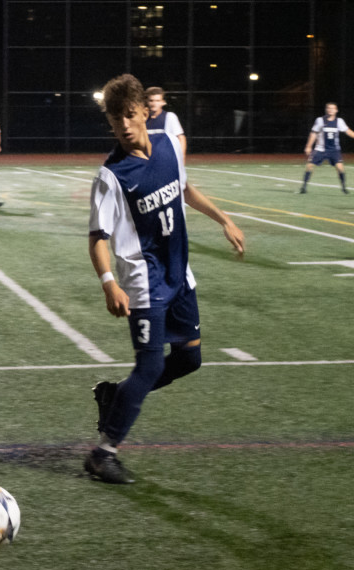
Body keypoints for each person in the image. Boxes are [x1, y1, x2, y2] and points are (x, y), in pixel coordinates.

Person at [84, 74, 245, 485]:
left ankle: (113, 396)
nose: (121, 125)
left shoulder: (170, 145)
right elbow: (97, 238)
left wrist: (223, 219)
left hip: (178, 274)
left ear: (144, 111)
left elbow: (185, 189)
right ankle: (104, 453)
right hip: (143, 281)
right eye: (113, 118)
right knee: (151, 365)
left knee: (190, 359)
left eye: (128, 115)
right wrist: (108, 282)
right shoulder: (111, 175)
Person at [299, 102, 354, 194]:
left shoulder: (339, 121)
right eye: (328, 108)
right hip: (320, 149)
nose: (330, 110)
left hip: (334, 150)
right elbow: (314, 133)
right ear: (326, 110)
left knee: (340, 168)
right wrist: (308, 146)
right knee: (309, 165)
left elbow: (347, 131)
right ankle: (304, 187)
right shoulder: (320, 120)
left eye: (333, 108)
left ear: (336, 110)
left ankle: (344, 187)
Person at [145, 86, 187, 158]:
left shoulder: (170, 117)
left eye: (157, 101)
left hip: (165, 160)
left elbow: (181, 138)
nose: (154, 103)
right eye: (151, 100)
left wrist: (181, 158)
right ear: (146, 101)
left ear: (163, 102)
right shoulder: (141, 119)